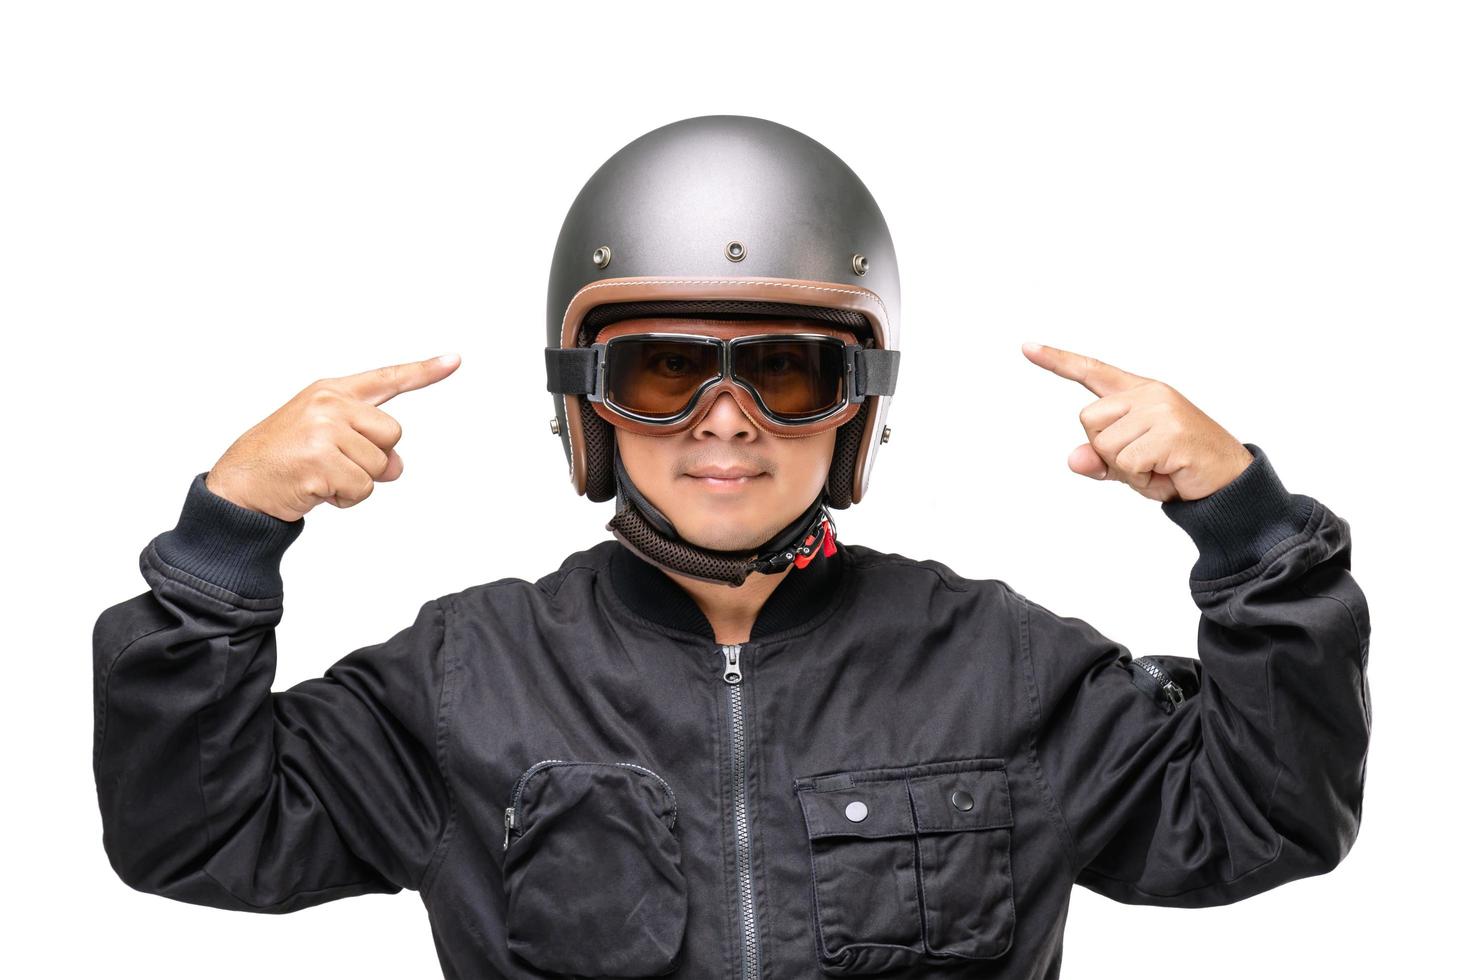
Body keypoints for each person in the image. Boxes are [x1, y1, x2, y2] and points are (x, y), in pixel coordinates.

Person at [92, 114, 1371, 979]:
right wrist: (232, 532)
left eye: (785, 370)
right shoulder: (464, 674)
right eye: (660, 368)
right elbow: (192, 833)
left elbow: (1267, 814)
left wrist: (1245, 527)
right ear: (585, 400)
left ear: (860, 405)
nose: (726, 421)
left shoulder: (1002, 664)